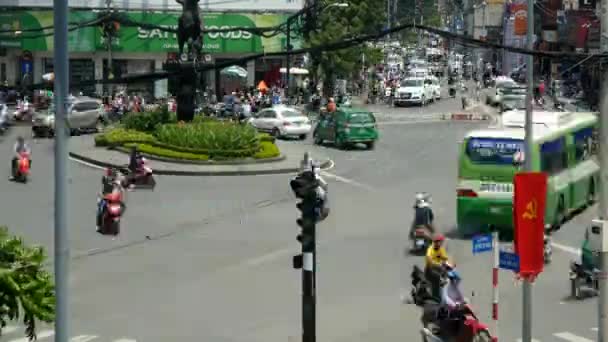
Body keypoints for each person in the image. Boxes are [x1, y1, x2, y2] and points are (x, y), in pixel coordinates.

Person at [425, 234, 450, 300]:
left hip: (439, 268)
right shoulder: (430, 250)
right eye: (441, 241)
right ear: (436, 242)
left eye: (442, 241)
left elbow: (445, 258)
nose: (442, 243)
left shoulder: (441, 249)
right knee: (438, 280)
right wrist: (438, 264)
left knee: (449, 276)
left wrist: (450, 264)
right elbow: (430, 261)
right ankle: (435, 297)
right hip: (430, 270)